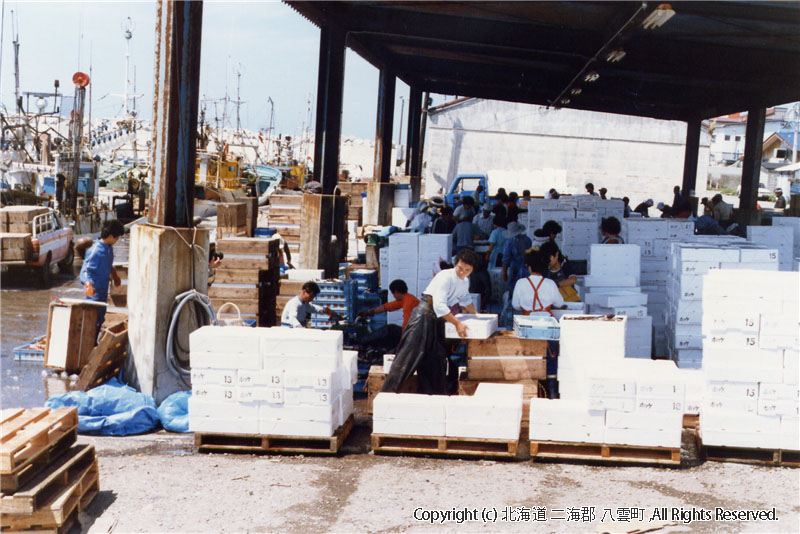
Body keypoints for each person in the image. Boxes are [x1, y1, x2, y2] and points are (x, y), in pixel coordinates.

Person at [381, 250, 480, 395]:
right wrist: (457, 323)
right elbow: (439, 305)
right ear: (455, 264)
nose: (462, 272)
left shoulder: (464, 282)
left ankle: (432, 400)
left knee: (436, 362)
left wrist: (479, 317)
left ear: (472, 270)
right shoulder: (445, 276)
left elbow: (466, 300)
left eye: (467, 270)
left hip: (437, 321)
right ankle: (385, 398)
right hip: (423, 316)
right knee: (406, 359)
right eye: (460, 268)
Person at [511, 248, 564, 398]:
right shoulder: (550, 283)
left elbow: (515, 304)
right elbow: (559, 303)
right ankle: (552, 389)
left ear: (529, 267)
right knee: (551, 355)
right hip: (547, 323)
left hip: (526, 324)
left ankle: (529, 386)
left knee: (529, 354)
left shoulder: (521, 283)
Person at [80, 220, 124, 330]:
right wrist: (88, 284)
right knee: (92, 319)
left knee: (100, 318)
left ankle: (95, 342)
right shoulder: (95, 251)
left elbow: (109, 264)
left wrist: (115, 276)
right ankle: (88, 343)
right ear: (110, 236)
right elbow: (85, 271)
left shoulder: (109, 249)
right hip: (93, 293)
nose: (117, 240)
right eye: (117, 237)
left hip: (103, 291)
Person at [502, 221, 532, 293]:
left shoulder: (509, 242)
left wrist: (504, 272)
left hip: (516, 266)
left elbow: (506, 258)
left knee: (513, 288)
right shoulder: (527, 239)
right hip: (526, 266)